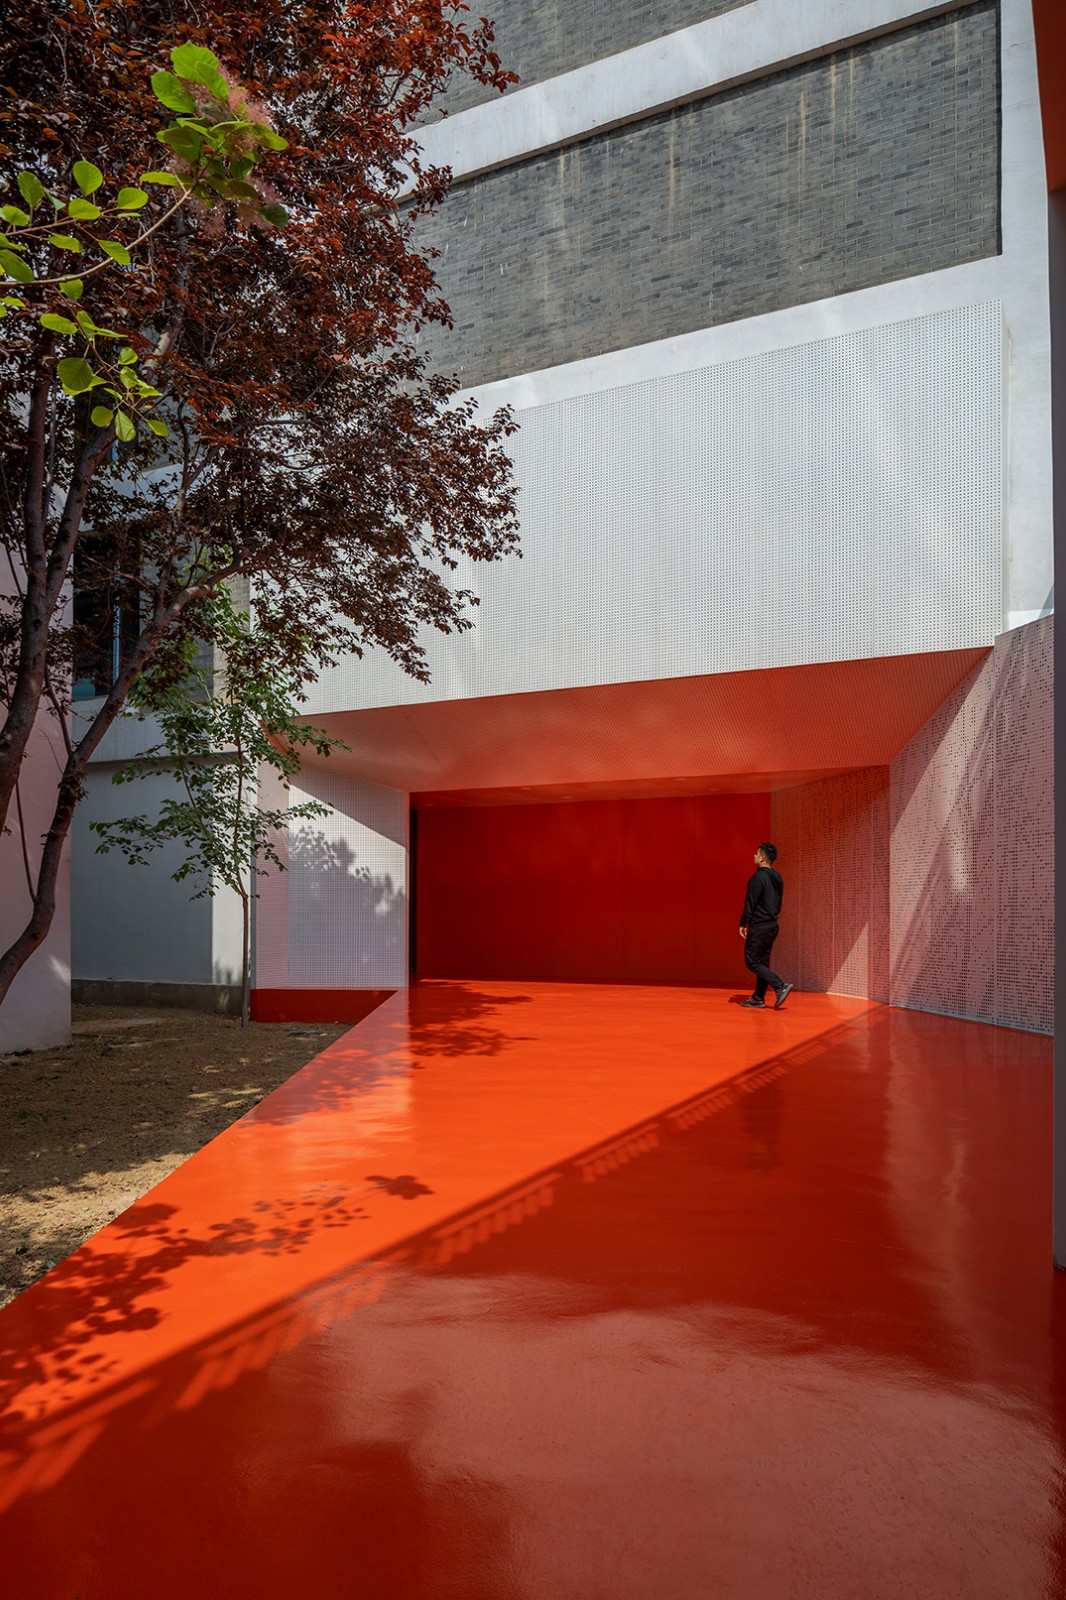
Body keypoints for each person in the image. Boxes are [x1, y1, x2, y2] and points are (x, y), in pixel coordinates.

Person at [739, 842, 794, 1010]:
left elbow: (751, 902)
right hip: (772, 925)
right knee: (762, 961)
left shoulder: (758, 878)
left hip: (760, 925)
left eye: (756, 853)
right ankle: (758, 998)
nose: (754, 856)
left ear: (762, 857)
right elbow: (778, 904)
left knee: (752, 961)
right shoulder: (777, 878)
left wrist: (743, 922)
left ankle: (780, 986)